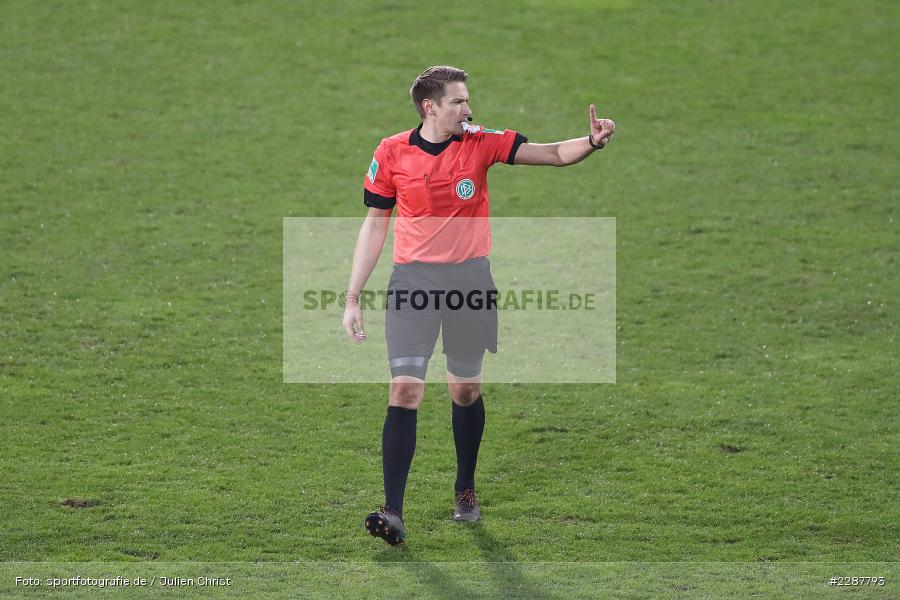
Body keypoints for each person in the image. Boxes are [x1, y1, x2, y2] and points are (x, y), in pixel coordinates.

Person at [342, 66, 615, 545]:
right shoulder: (391, 152)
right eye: (458, 101)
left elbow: (552, 154)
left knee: (465, 389)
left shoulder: (481, 142)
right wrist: (352, 296)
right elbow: (375, 223)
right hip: (413, 283)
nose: (468, 109)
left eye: (467, 100)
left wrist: (591, 142)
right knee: (404, 390)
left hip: (469, 282)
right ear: (430, 107)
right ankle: (393, 511)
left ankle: (464, 488)